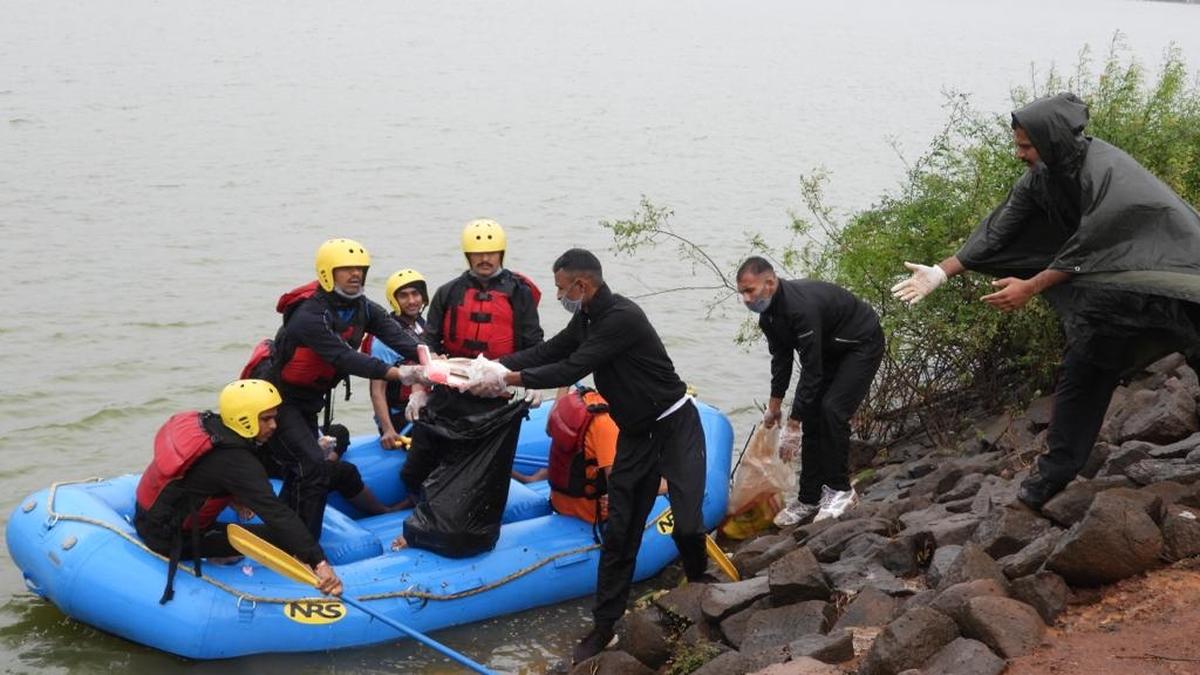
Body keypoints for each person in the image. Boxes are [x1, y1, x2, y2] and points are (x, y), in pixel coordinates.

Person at [891, 92, 1200, 509]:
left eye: (1025, 146)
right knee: (1084, 370)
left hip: (1175, 281)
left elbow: (1091, 245)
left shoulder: (1107, 171)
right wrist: (942, 271)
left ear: (1051, 140)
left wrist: (1031, 286)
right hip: (1114, 293)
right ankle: (1052, 477)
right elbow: (1001, 228)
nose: (1019, 154)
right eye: (1018, 145)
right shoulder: (1042, 176)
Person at [475, 248, 710, 665]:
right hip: (636, 435)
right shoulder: (585, 317)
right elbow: (550, 351)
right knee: (619, 535)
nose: (560, 294)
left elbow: (571, 369)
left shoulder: (621, 317)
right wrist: (490, 365)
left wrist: (508, 379)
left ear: (581, 285)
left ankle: (701, 591)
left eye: (562, 288)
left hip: (675, 425)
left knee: (689, 526)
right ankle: (604, 627)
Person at [253, 238, 428, 539]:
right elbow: (343, 357)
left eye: (360, 269)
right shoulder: (310, 314)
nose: (355, 275)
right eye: (346, 270)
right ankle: (300, 544)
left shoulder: (362, 307)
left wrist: (430, 358)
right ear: (326, 273)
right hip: (279, 401)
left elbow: (398, 336)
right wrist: (399, 373)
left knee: (313, 466)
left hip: (308, 402)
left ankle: (284, 534)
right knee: (311, 467)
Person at [135, 379, 342, 603]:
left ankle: (220, 553)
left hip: (150, 518)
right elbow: (276, 513)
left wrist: (235, 498)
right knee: (281, 539)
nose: (274, 425)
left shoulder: (213, 426)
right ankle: (220, 558)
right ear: (244, 419)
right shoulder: (236, 463)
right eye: (266, 419)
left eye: (274, 417)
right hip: (168, 538)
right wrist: (318, 561)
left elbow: (201, 476)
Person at [399, 219, 544, 498]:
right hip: (448, 393)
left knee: (474, 476)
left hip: (493, 396)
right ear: (468, 256)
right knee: (414, 471)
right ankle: (418, 511)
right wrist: (418, 390)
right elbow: (427, 343)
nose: (485, 259)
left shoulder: (519, 294)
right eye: (478, 254)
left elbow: (534, 344)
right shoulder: (448, 292)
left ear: (501, 254)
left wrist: (533, 379)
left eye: (491, 253)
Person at [736, 257, 884, 527]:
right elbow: (781, 361)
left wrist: (793, 426)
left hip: (861, 344)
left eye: (750, 291)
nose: (746, 299)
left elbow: (812, 371)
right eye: (742, 293)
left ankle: (841, 490)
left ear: (769, 283)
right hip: (831, 348)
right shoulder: (768, 317)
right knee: (813, 416)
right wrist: (774, 408)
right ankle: (809, 497)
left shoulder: (799, 309)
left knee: (832, 410)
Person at [365, 268, 429, 450]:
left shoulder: (423, 327)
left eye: (415, 294)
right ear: (394, 300)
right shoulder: (383, 339)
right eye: (404, 296)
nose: (411, 301)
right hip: (397, 415)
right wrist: (387, 430)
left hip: (421, 408)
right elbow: (377, 391)